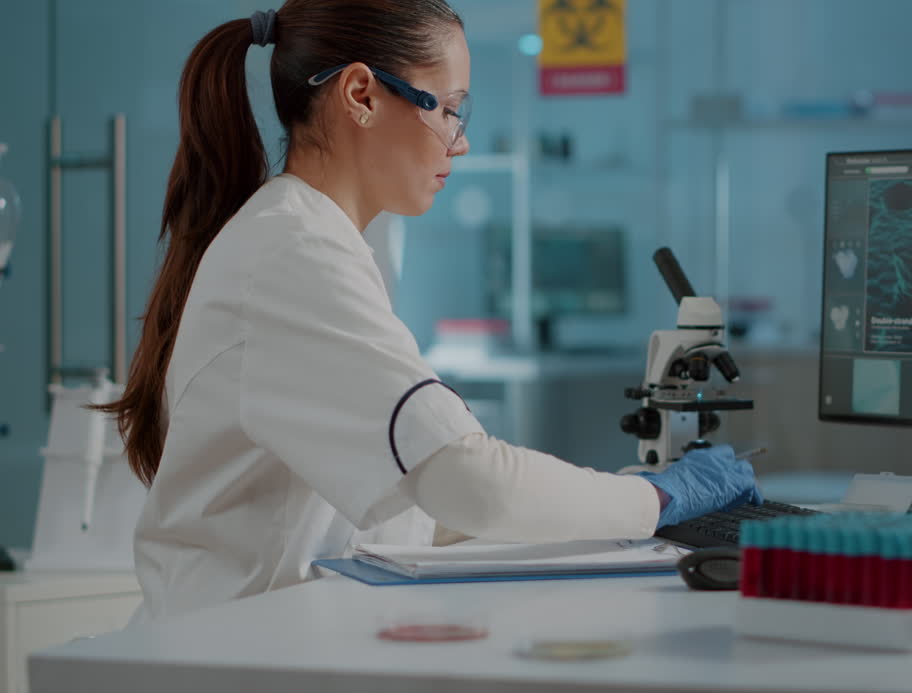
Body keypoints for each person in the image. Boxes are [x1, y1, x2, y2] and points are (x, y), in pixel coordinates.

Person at [94, 0, 759, 623]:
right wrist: (658, 498)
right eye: (449, 110)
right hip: (227, 661)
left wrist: (613, 500)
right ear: (361, 95)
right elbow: (467, 480)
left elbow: (409, 499)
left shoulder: (305, 237)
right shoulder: (293, 252)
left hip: (253, 641)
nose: (459, 142)